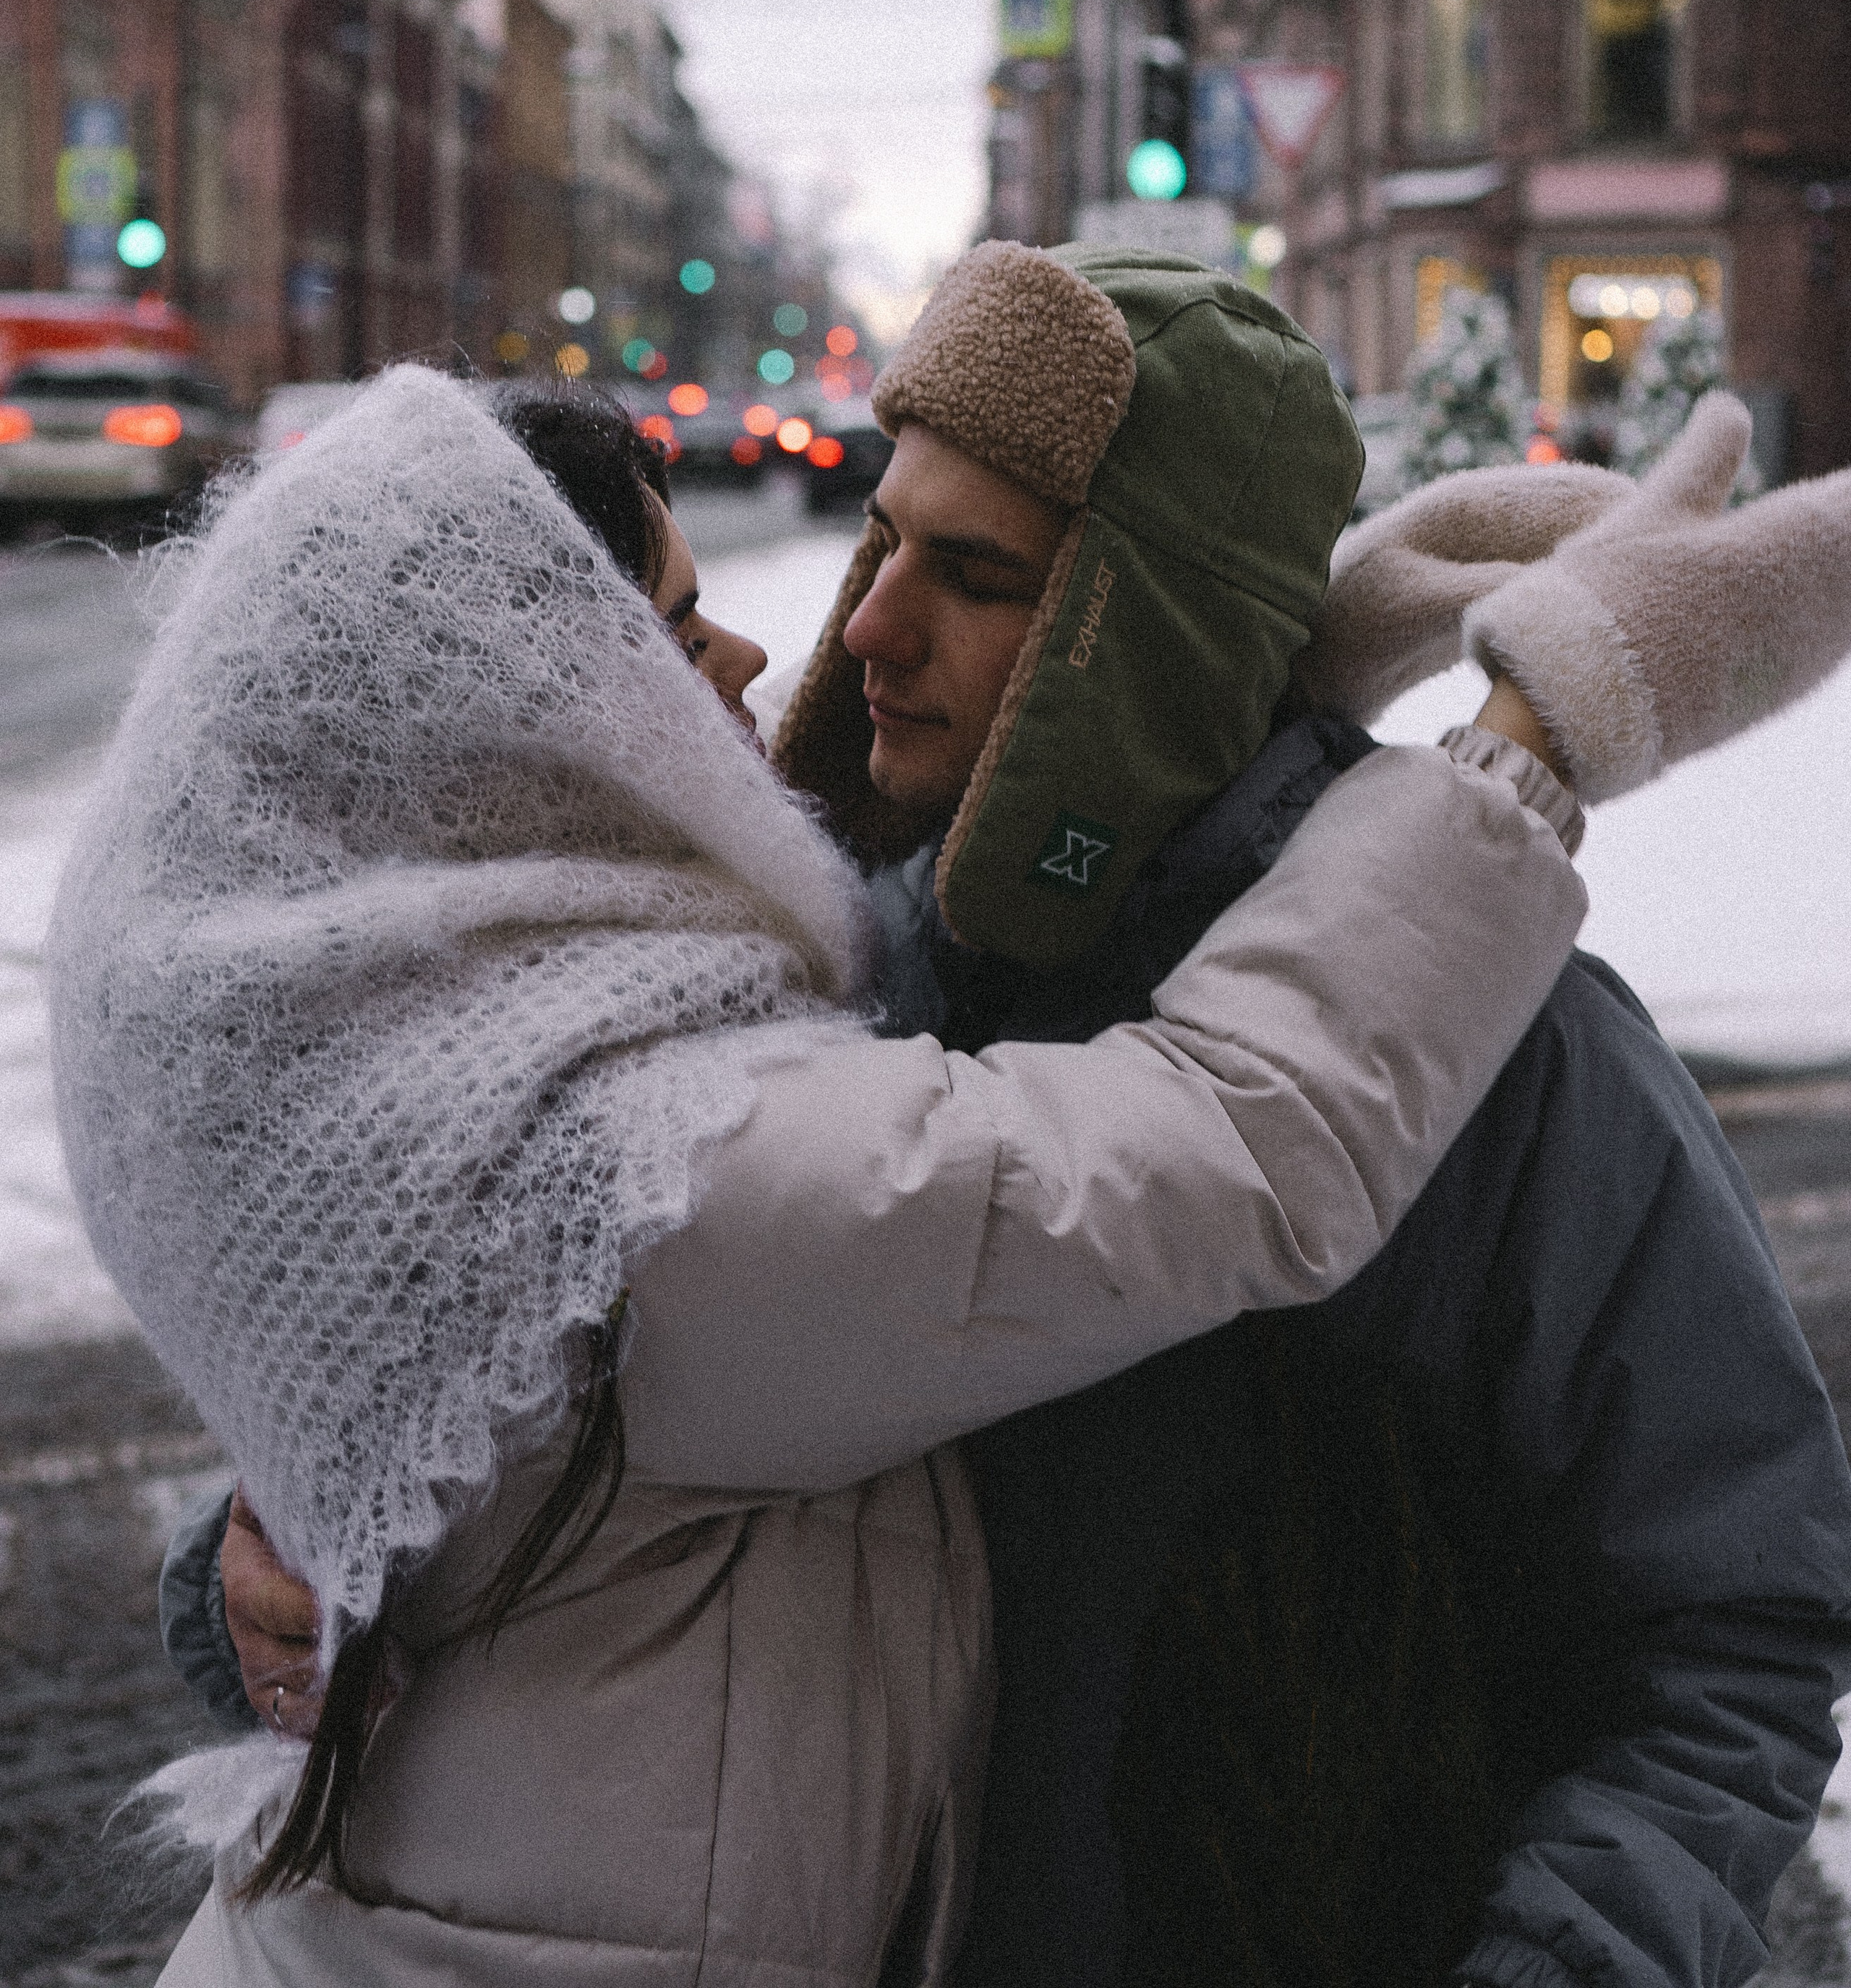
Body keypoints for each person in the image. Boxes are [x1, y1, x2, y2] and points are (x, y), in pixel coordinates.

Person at [152, 246, 1851, 1988]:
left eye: (971, 574)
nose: (865, 624)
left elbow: (1732, 1621)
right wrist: (266, 1559)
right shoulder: (825, 979)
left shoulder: (1502, 1047)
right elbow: (554, 1440)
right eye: (880, 541)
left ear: (1154, 642)